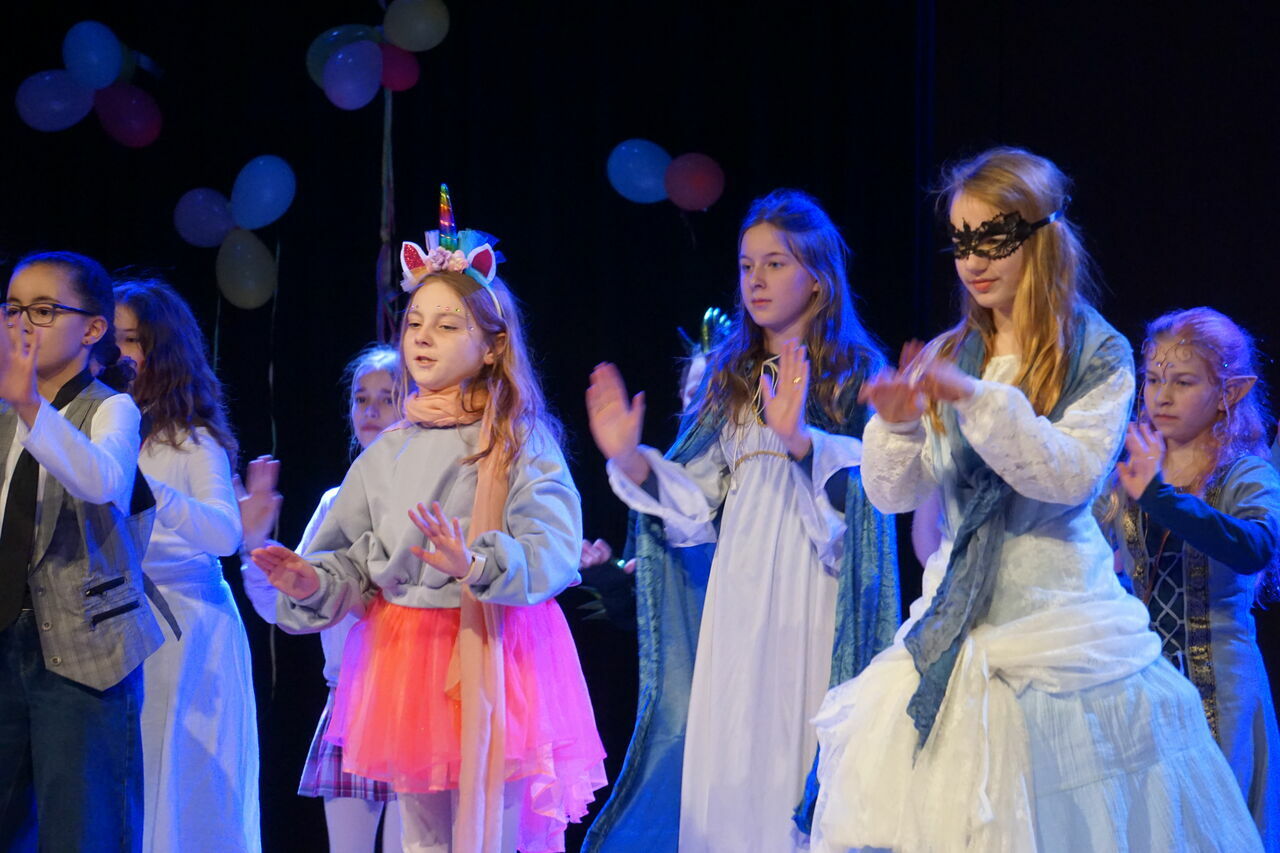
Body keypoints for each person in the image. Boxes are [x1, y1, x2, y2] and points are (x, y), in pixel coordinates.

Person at [811, 147, 1263, 852]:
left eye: (992, 237)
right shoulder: (950, 352)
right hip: (955, 626)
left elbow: (1068, 476)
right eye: (961, 241)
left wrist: (977, 398)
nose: (973, 260)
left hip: (1059, 629)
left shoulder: (1096, 354)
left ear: (1040, 236)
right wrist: (898, 423)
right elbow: (891, 494)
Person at [251, 213, 606, 853]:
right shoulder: (387, 452)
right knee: (422, 841)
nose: (422, 338)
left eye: (447, 325)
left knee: (495, 833)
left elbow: (553, 546)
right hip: (407, 659)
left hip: (496, 651)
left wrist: (475, 562)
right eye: (415, 323)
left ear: (492, 345)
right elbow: (354, 559)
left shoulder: (518, 442)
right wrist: (312, 581)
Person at [583, 188, 900, 852]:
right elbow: (695, 506)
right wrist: (632, 460)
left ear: (818, 276)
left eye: (775, 264)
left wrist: (802, 440)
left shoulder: (859, 375)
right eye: (747, 265)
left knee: (793, 751)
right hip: (738, 596)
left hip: (814, 597)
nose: (755, 279)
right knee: (731, 758)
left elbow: (875, 503)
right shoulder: (729, 376)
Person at [0, 251, 163, 851]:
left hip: (84, 649)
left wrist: (29, 405)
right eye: (13, 308)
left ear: (93, 329)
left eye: (43, 310)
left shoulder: (111, 408)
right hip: (6, 637)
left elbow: (102, 482)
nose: (23, 323)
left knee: (84, 827)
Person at [1101, 307, 1279, 849]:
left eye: (1183, 382)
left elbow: (1254, 547)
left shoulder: (1243, 472)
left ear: (1230, 392)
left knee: (1212, 828)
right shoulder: (1130, 471)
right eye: (1154, 380)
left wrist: (1160, 496)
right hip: (1143, 684)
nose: (1162, 396)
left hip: (1220, 686)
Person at [113, 278, 260, 852]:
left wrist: (151, 492)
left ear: (163, 349)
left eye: (131, 339)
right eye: (109, 338)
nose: (118, 353)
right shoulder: (104, 428)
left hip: (190, 630)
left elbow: (224, 533)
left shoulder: (192, 440)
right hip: (121, 625)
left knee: (189, 782)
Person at [239, 343, 403, 853]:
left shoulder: (432, 496)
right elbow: (289, 610)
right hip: (352, 701)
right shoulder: (337, 503)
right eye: (361, 398)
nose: (371, 410)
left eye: (388, 397)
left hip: (414, 701)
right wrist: (253, 543)